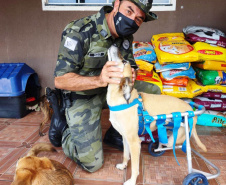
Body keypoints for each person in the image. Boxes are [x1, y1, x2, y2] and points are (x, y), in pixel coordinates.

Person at [52, 0, 158, 173]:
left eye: (138, 19)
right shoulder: (79, 31)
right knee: (92, 163)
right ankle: (63, 128)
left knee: (154, 92)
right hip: (82, 96)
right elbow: (60, 80)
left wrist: (131, 75)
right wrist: (99, 80)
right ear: (116, 4)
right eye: (129, 11)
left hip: (112, 91)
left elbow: (130, 67)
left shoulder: (126, 36)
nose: (132, 20)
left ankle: (116, 133)